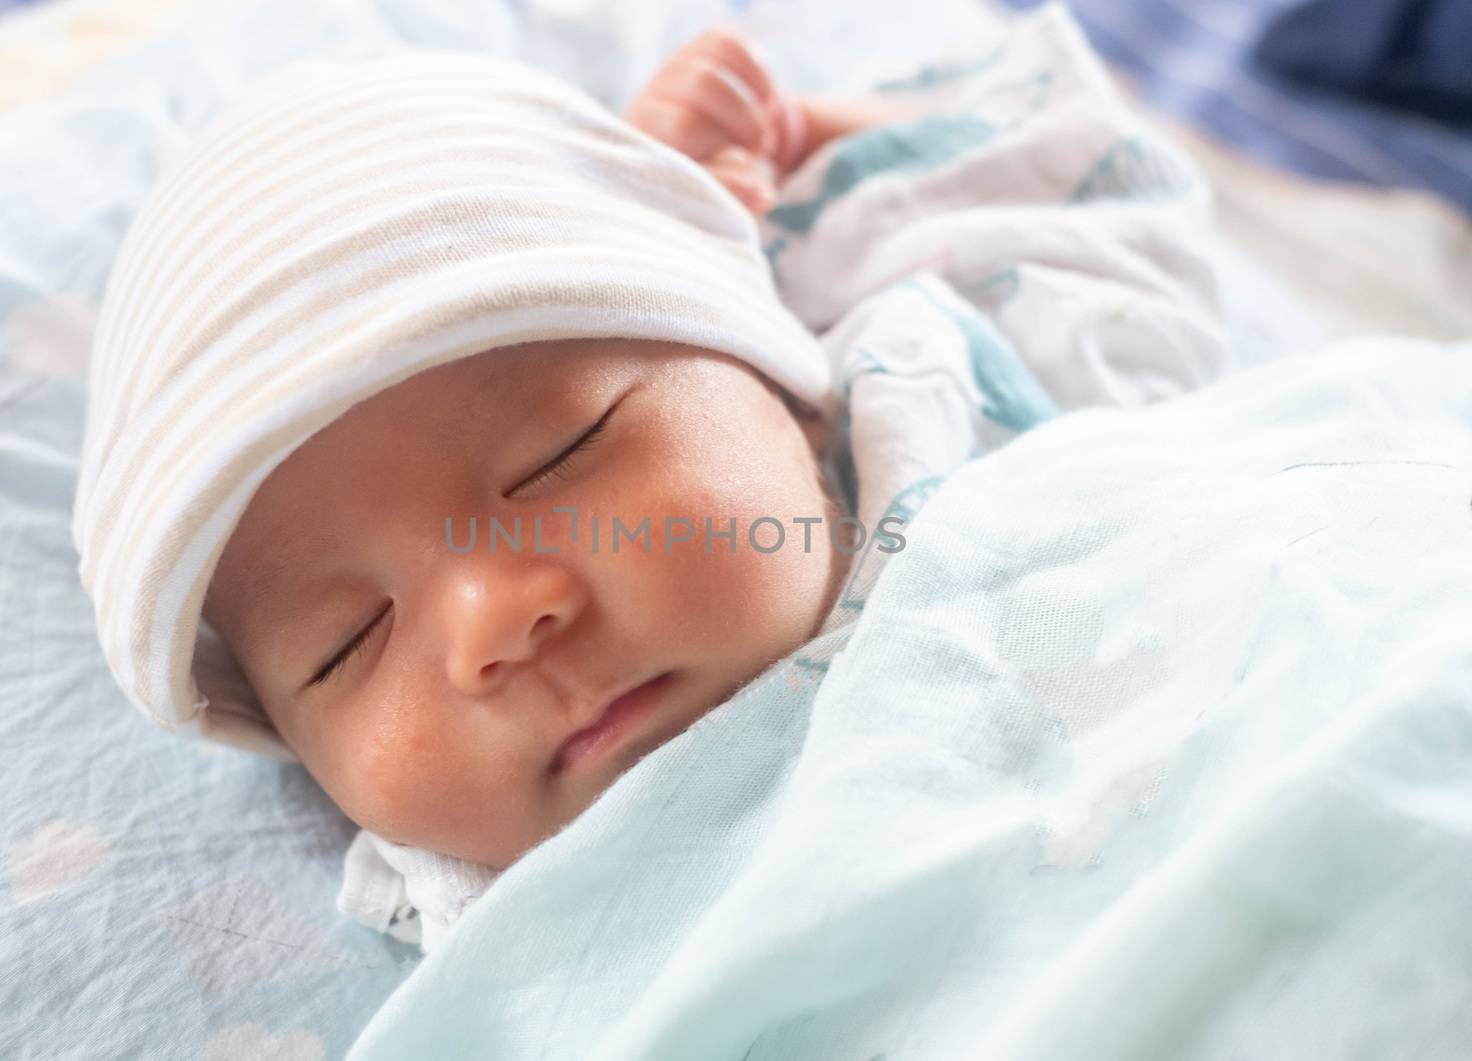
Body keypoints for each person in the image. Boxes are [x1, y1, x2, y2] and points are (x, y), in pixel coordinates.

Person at [72, 12, 1225, 949]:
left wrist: (770, 185)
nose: (494, 617)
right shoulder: (471, 910)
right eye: (346, 642)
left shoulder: (919, 403)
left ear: (781, 387)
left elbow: (1112, 223)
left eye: (559, 454)